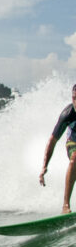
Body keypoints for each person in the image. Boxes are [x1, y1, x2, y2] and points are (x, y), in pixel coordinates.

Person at [39, 84, 76, 213]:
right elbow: (52, 141)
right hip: (73, 142)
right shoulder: (67, 114)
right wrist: (44, 166)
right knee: (74, 159)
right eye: (74, 98)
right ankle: (65, 205)